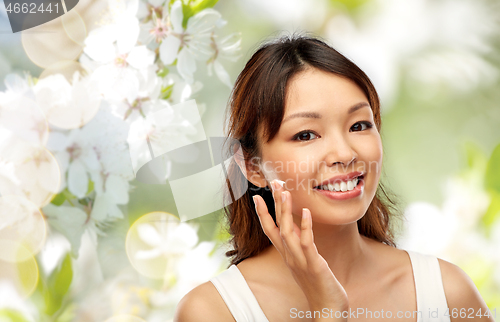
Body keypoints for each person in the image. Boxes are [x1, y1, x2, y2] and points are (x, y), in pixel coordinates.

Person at [174, 34, 494, 322]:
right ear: (252, 165)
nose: (344, 153)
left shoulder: (447, 292)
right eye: (306, 134)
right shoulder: (213, 311)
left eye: (358, 125)